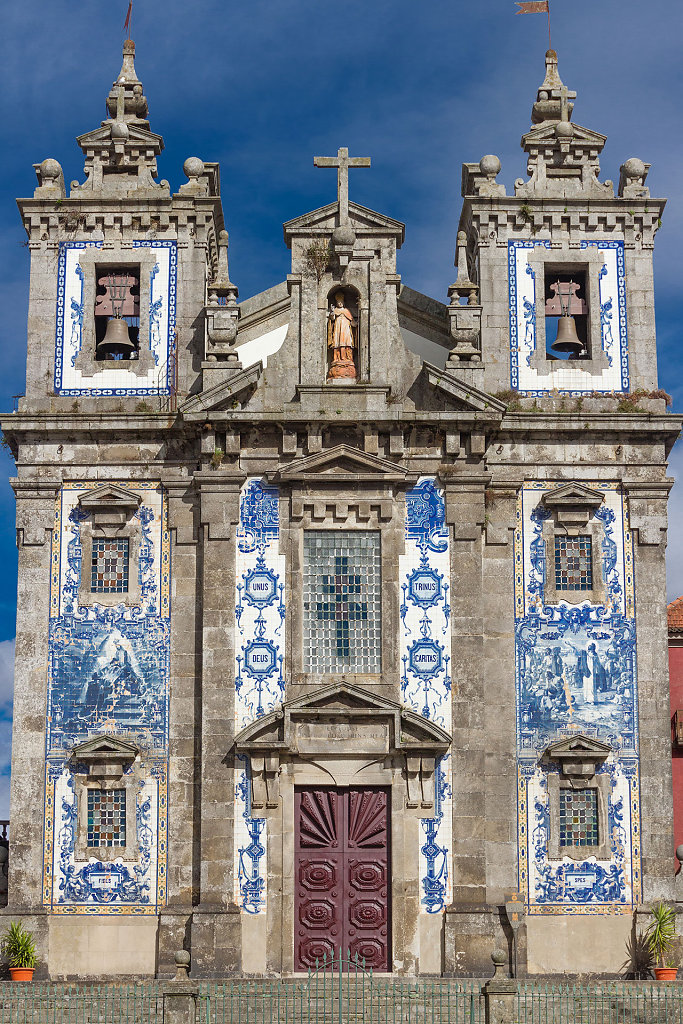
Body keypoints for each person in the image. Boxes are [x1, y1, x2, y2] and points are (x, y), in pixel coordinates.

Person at [327, 291, 357, 380]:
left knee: (347, 342)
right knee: (337, 342)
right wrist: (332, 312)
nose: (340, 303)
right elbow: (332, 318)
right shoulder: (336, 311)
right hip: (338, 329)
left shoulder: (347, 311)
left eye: (341, 302)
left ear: (343, 302)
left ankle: (347, 358)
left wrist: (356, 324)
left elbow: (352, 321)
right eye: (338, 302)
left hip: (346, 329)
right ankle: (337, 358)